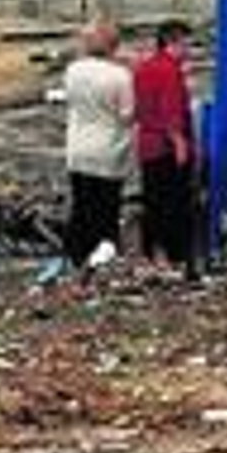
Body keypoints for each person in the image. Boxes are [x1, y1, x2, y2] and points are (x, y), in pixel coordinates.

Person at [63, 21, 134, 271]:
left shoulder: (73, 70)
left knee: (81, 206)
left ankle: (74, 256)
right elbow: (127, 115)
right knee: (106, 209)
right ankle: (101, 260)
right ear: (116, 46)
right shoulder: (119, 77)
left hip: (77, 147)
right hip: (108, 150)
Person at [133, 19, 197, 276]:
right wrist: (180, 143)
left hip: (147, 145)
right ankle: (174, 255)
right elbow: (171, 110)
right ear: (174, 42)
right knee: (174, 204)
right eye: (186, 44)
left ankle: (150, 253)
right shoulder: (170, 71)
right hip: (166, 148)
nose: (189, 50)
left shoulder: (144, 68)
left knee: (153, 202)